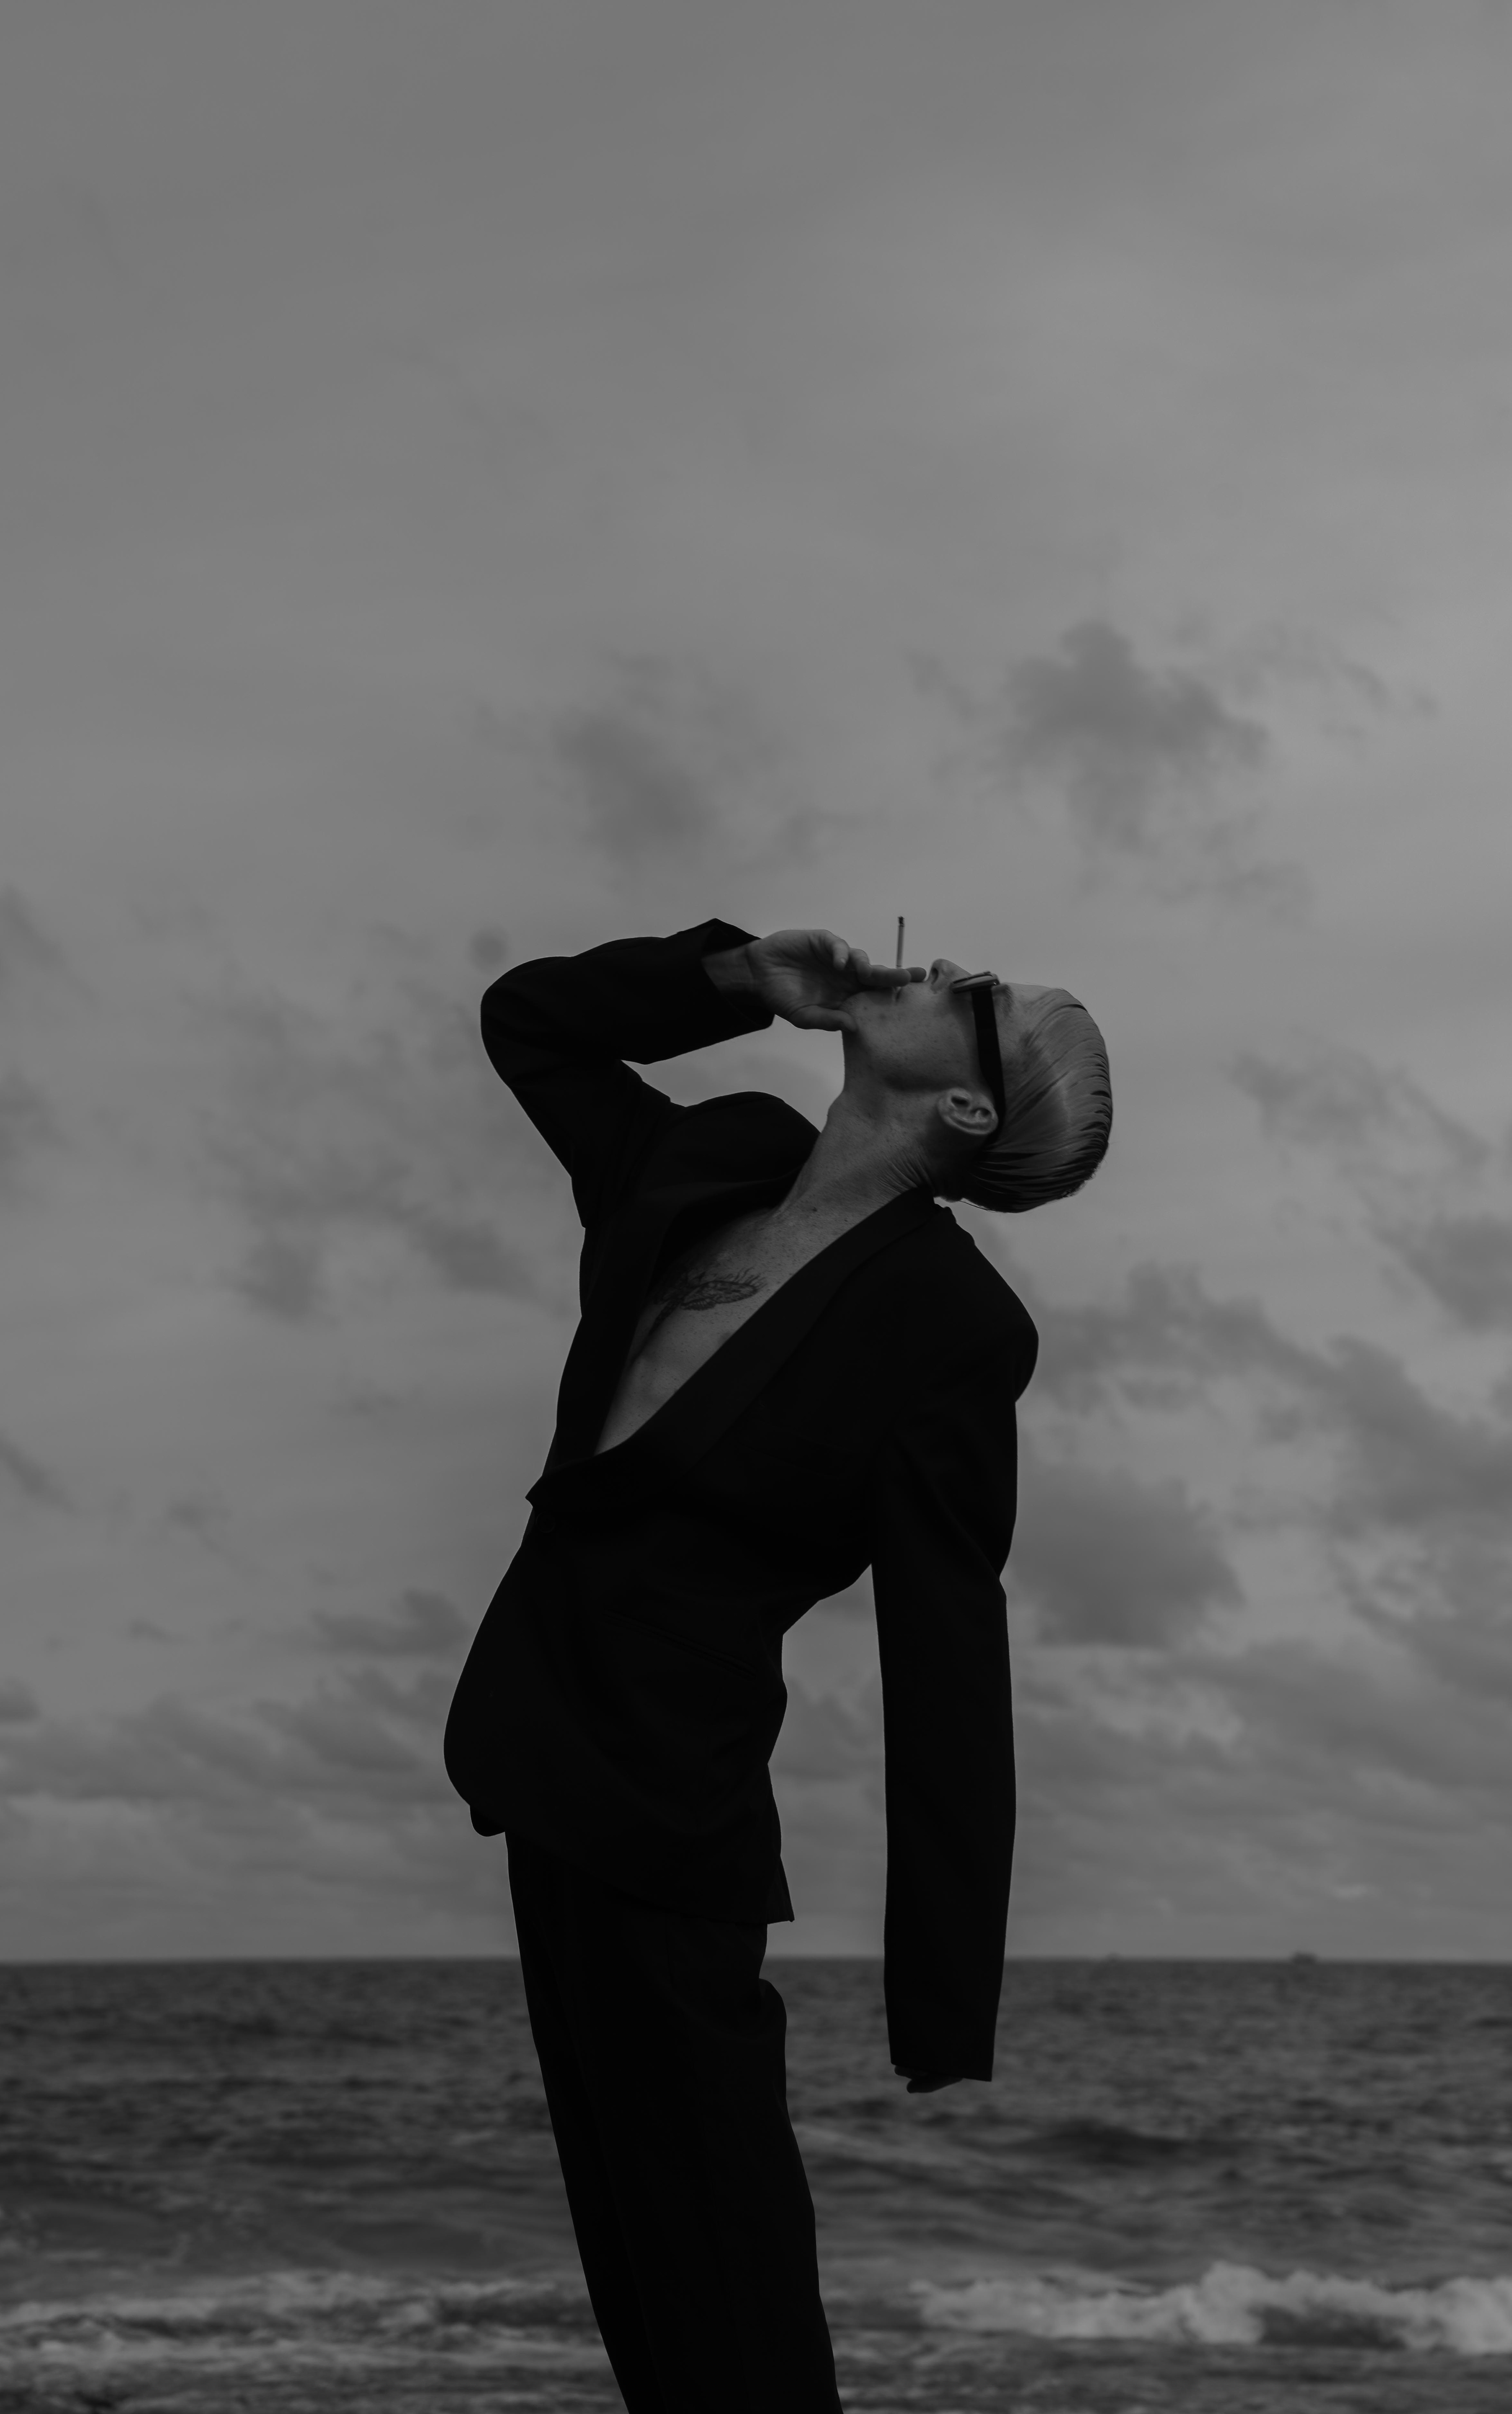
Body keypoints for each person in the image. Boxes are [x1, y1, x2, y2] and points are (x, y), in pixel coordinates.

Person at [444, 920, 1112, 2413]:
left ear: (968, 1107)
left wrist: (939, 2002)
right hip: (534, 1753)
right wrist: (734, 981)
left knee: (724, 2266)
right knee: (635, 2266)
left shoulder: (952, 1327)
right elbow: (530, 1023)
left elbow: (950, 1660)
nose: (943, 967)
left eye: (979, 999)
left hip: (674, 1815)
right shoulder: (715, 1158)